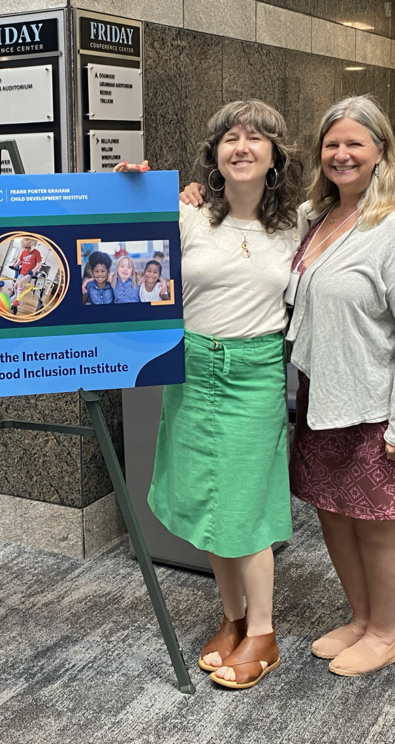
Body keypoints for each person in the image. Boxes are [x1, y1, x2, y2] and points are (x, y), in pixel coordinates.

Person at [127, 99, 303, 689]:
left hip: (254, 371)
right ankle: (232, 618)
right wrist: (130, 192)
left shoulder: (298, 225)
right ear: (215, 154)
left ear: (276, 154)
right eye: (230, 137)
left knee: (244, 506)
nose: (242, 147)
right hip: (194, 369)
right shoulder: (191, 217)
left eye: (256, 138)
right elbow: (125, 247)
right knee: (206, 496)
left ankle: (263, 633)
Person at [284, 96, 395, 676]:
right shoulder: (319, 216)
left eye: (355, 143)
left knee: (377, 526)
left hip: (378, 406)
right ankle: (360, 618)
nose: (341, 154)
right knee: (333, 515)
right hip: (322, 398)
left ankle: (386, 633)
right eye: (332, 144)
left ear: (382, 151)